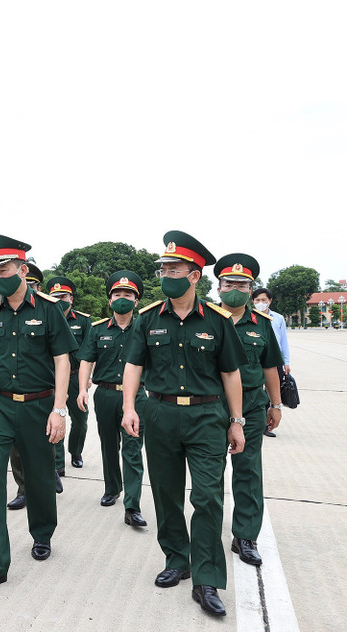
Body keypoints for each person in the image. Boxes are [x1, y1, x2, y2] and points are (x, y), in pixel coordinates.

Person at [121, 230, 246, 617]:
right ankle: (177, 558)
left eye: (174, 268)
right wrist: (129, 407)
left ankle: (207, 578)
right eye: (164, 268)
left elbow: (231, 375)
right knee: (166, 492)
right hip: (159, 414)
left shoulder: (219, 321)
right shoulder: (147, 319)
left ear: (194, 276)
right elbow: (133, 365)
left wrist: (237, 421)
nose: (166, 274)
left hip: (208, 417)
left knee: (207, 496)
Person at [0, 235, 76, 593]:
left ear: (23, 270)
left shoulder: (47, 309)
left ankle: (42, 532)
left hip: (39, 405)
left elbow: (63, 360)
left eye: (5, 268)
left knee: (40, 476)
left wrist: (59, 409)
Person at [213, 254, 284, 567]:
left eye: (242, 285)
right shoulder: (208, 319)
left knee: (248, 471)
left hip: (253, 405)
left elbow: (270, 367)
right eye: (229, 283)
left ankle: (245, 536)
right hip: (212, 405)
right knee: (211, 472)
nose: (235, 289)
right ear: (218, 287)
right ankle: (208, 533)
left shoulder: (262, 325)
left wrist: (276, 404)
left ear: (251, 288)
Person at [76, 271, 148, 526]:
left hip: (136, 396)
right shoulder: (97, 330)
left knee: (132, 448)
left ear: (136, 301)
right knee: (108, 445)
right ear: (109, 300)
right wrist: (83, 388)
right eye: (117, 294)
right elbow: (86, 359)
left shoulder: (145, 327)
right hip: (105, 394)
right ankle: (111, 488)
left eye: (128, 295)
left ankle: (132, 504)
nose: (122, 299)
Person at [7, 262, 46, 509]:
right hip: (11, 392)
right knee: (16, 447)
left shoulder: (47, 310)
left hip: (43, 391)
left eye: (32, 285)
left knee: (42, 447)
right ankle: (23, 488)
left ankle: (46, 475)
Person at [45, 276, 91, 483]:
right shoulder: (47, 316)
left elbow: (90, 352)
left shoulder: (83, 320)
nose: (59, 300)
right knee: (56, 417)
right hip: (53, 379)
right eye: (55, 296)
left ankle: (76, 451)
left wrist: (86, 379)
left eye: (63, 296)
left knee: (80, 420)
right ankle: (58, 464)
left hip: (75, 376)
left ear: (71, 298)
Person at [251, 287, 290, 437]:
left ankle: (266, 425)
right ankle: (256, 422)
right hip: (256, 359)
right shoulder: (249, 316)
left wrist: (286, 362)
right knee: (256, 392)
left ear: (270, 301)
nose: (260, 303)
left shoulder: (278, 318)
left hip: (274, 360)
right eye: (257, 300)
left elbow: (284, 341)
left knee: (271, 391)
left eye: (263, 300)